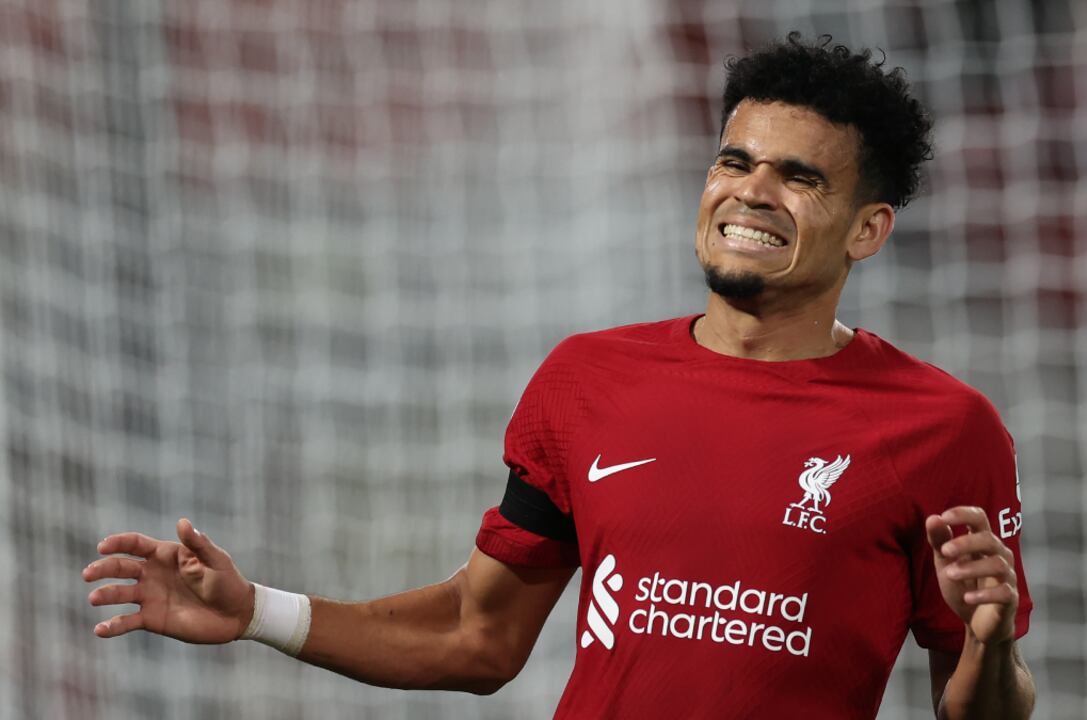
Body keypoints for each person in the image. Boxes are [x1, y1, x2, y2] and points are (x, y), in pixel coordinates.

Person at [84, 34, 1035, 718]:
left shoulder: (945, 428)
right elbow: (479, 635)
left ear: (868, 229)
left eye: (800, 177)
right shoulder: (588, 380)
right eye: (733, 161)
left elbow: (981, 709)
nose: (750, 191)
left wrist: (989, 645)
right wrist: (258, 612)